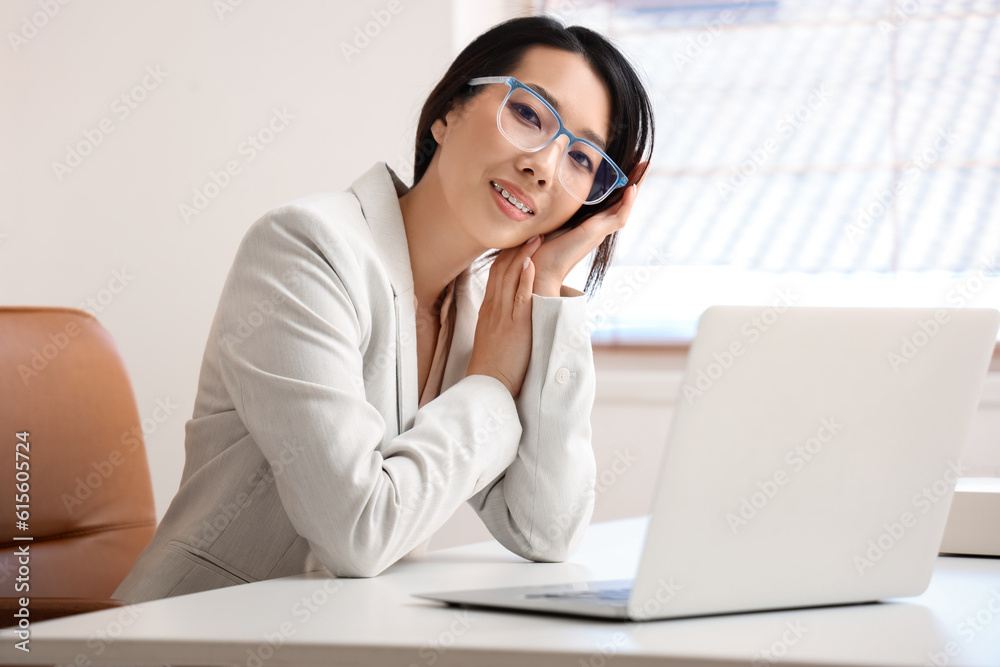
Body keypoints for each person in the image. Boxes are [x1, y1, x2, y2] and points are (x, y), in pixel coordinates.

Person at [112, 14, 654, 603]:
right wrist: (492, 382)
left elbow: (548, 529)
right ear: (449, 112)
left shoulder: (478, 318)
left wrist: (546, 288)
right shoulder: (304, 248)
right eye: (528, 115)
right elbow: (358, 530)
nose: (544, 166)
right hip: (187, 642)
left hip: (349, 639)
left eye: (582, 159)